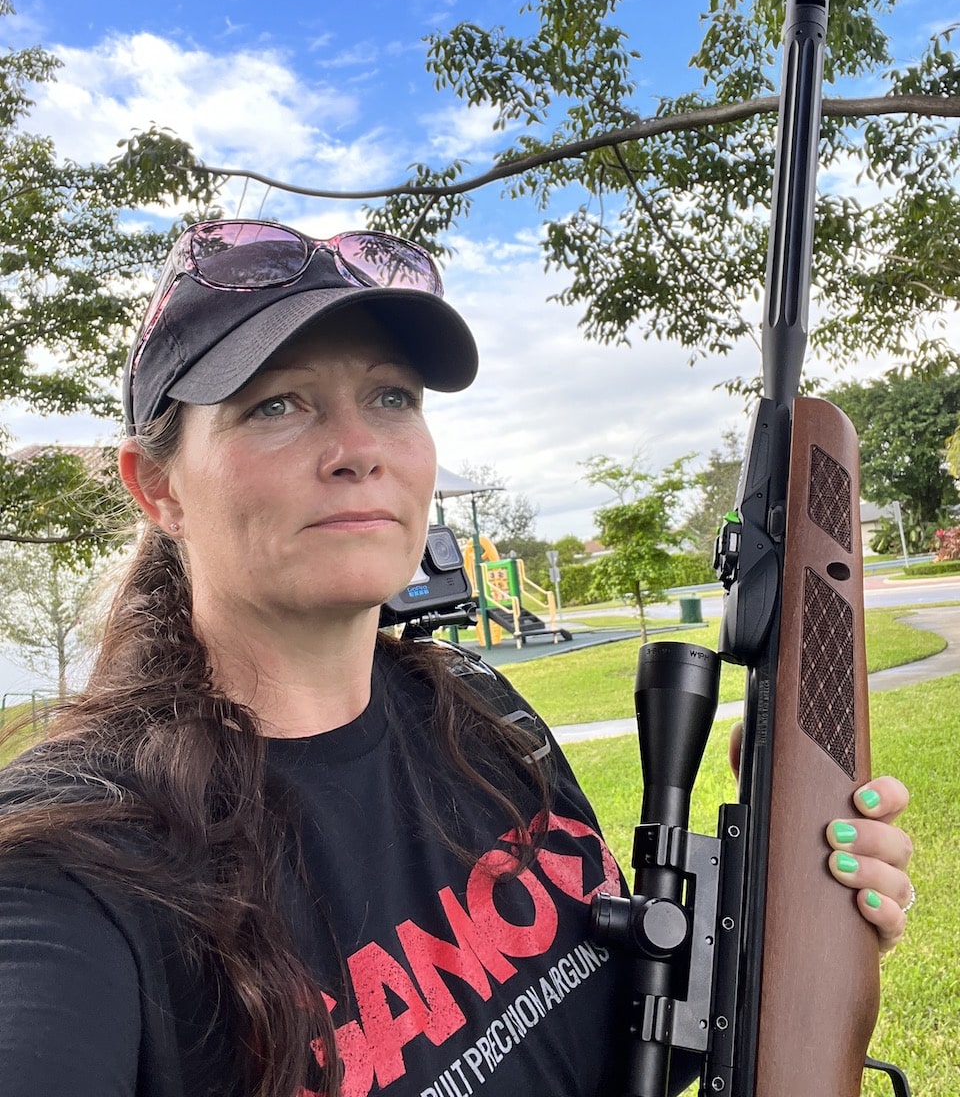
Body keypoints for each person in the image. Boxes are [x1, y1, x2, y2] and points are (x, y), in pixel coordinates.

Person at [0, 219, 913, 1097]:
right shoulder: (73, 855)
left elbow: (602, 1048)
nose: (358, 449)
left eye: (391, 397)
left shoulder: (482, 716)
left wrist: (782, 934)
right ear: (157, 487)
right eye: (276, 404)